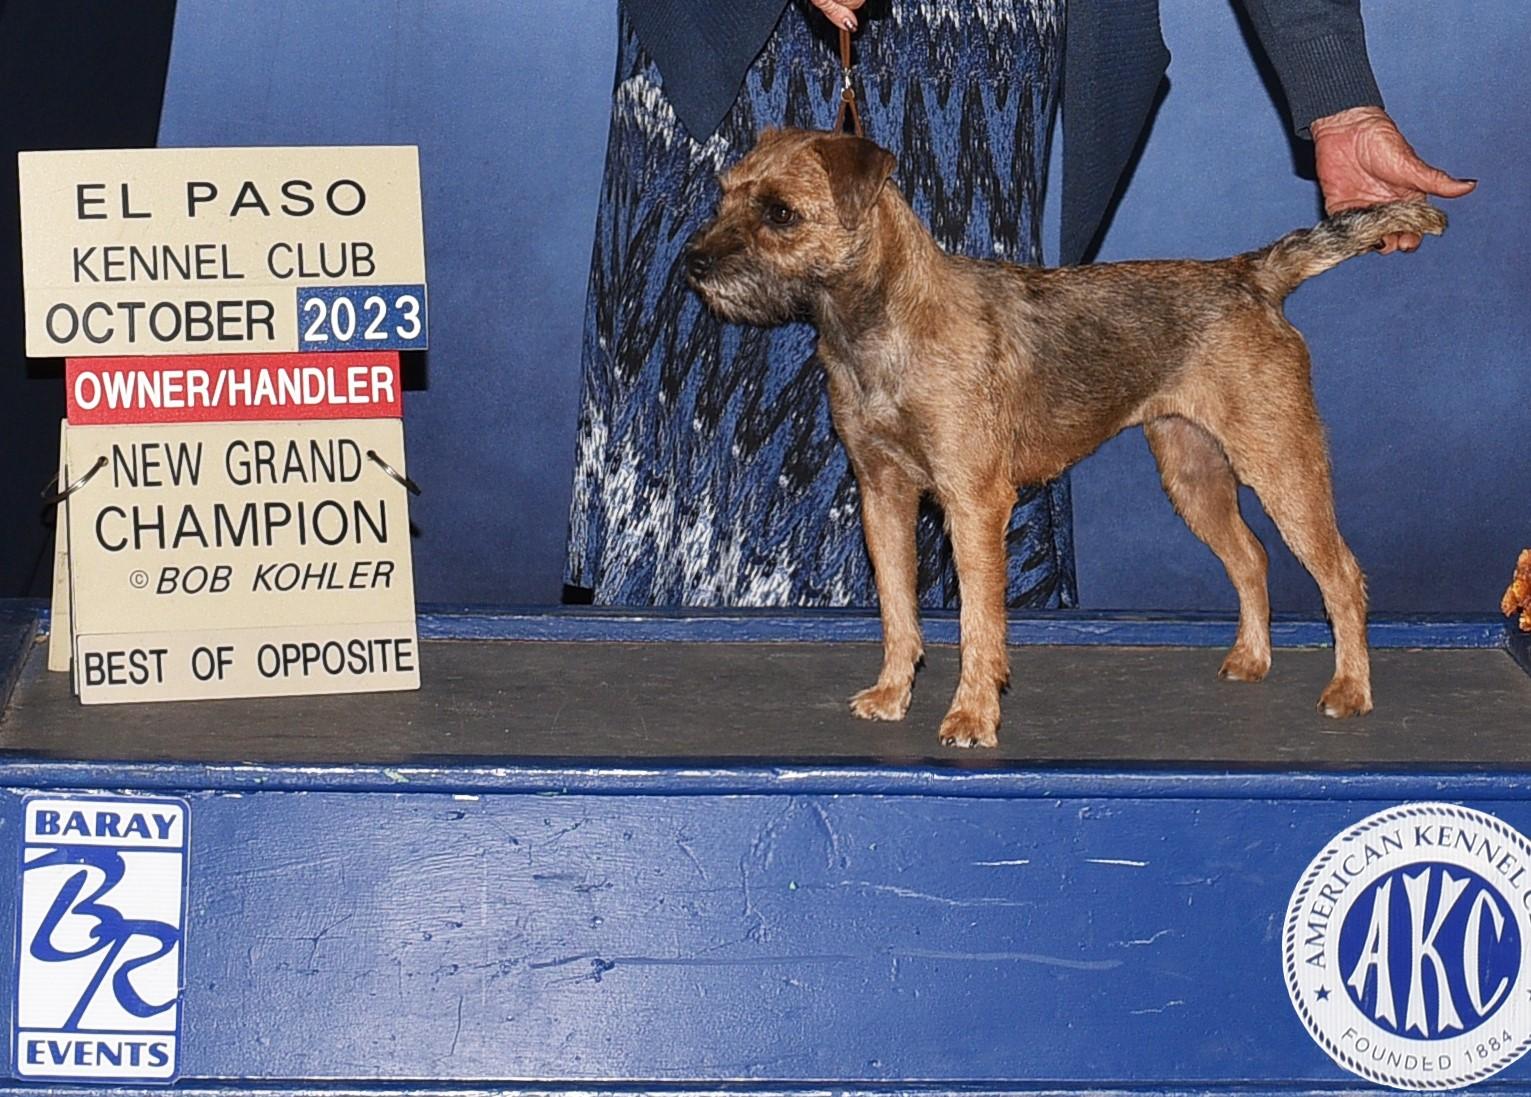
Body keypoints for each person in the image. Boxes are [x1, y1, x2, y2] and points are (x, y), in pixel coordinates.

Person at [564, 0, 1473, 609]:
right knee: (719, 456)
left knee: (975, 437)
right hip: (742, 44)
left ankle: (974, 696)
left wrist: (1335, 96)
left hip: (975, 49)